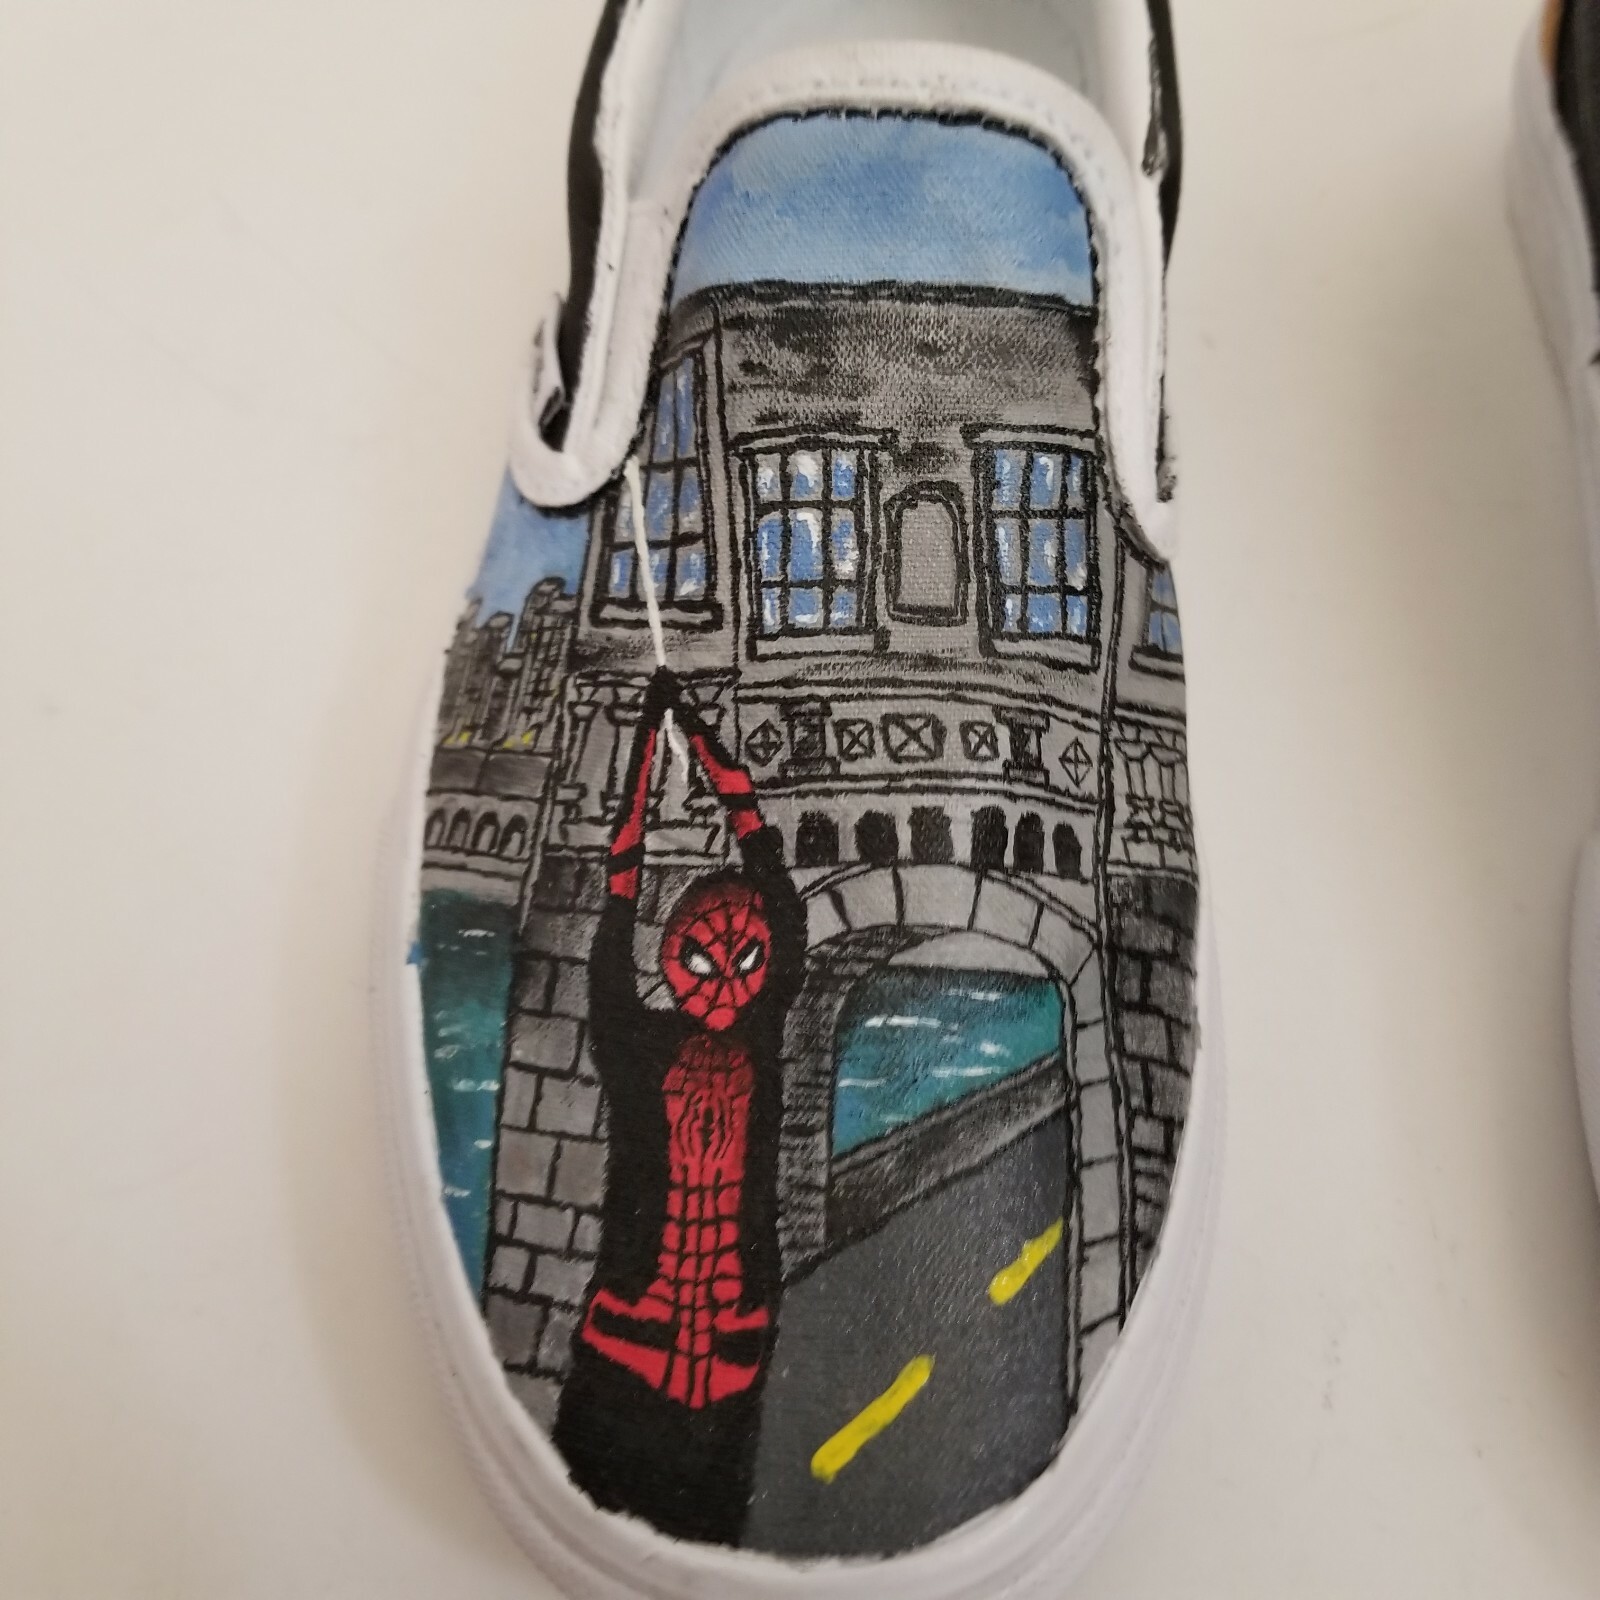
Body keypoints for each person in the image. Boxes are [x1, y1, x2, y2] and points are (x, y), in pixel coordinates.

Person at [552, 667, 806, 1546]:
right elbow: (620, 887)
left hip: (727, 1363)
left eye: (745, 961)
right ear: (671, 961)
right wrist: (649, 744)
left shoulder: (756, 1035)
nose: (728, 982)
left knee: (706, 1538)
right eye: (705, 962)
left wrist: (691, 728)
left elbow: (758, 845)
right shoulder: (637, 1044)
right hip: (629, 1347)